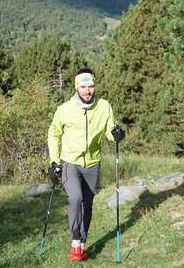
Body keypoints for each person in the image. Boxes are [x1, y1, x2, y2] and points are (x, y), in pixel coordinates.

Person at [47, 67, 125, 261]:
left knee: (88, 204)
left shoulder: (104, 106)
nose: (87, 91)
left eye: (90, 86)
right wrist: (54, 162)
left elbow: (109, 130)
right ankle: (75, 243)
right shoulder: (64, 109)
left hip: (92, 163)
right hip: (70, 162)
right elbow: (54, 134)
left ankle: (83, 244)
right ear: (76, 87)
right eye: (83, 87)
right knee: (76, 199)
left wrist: (116, 134)